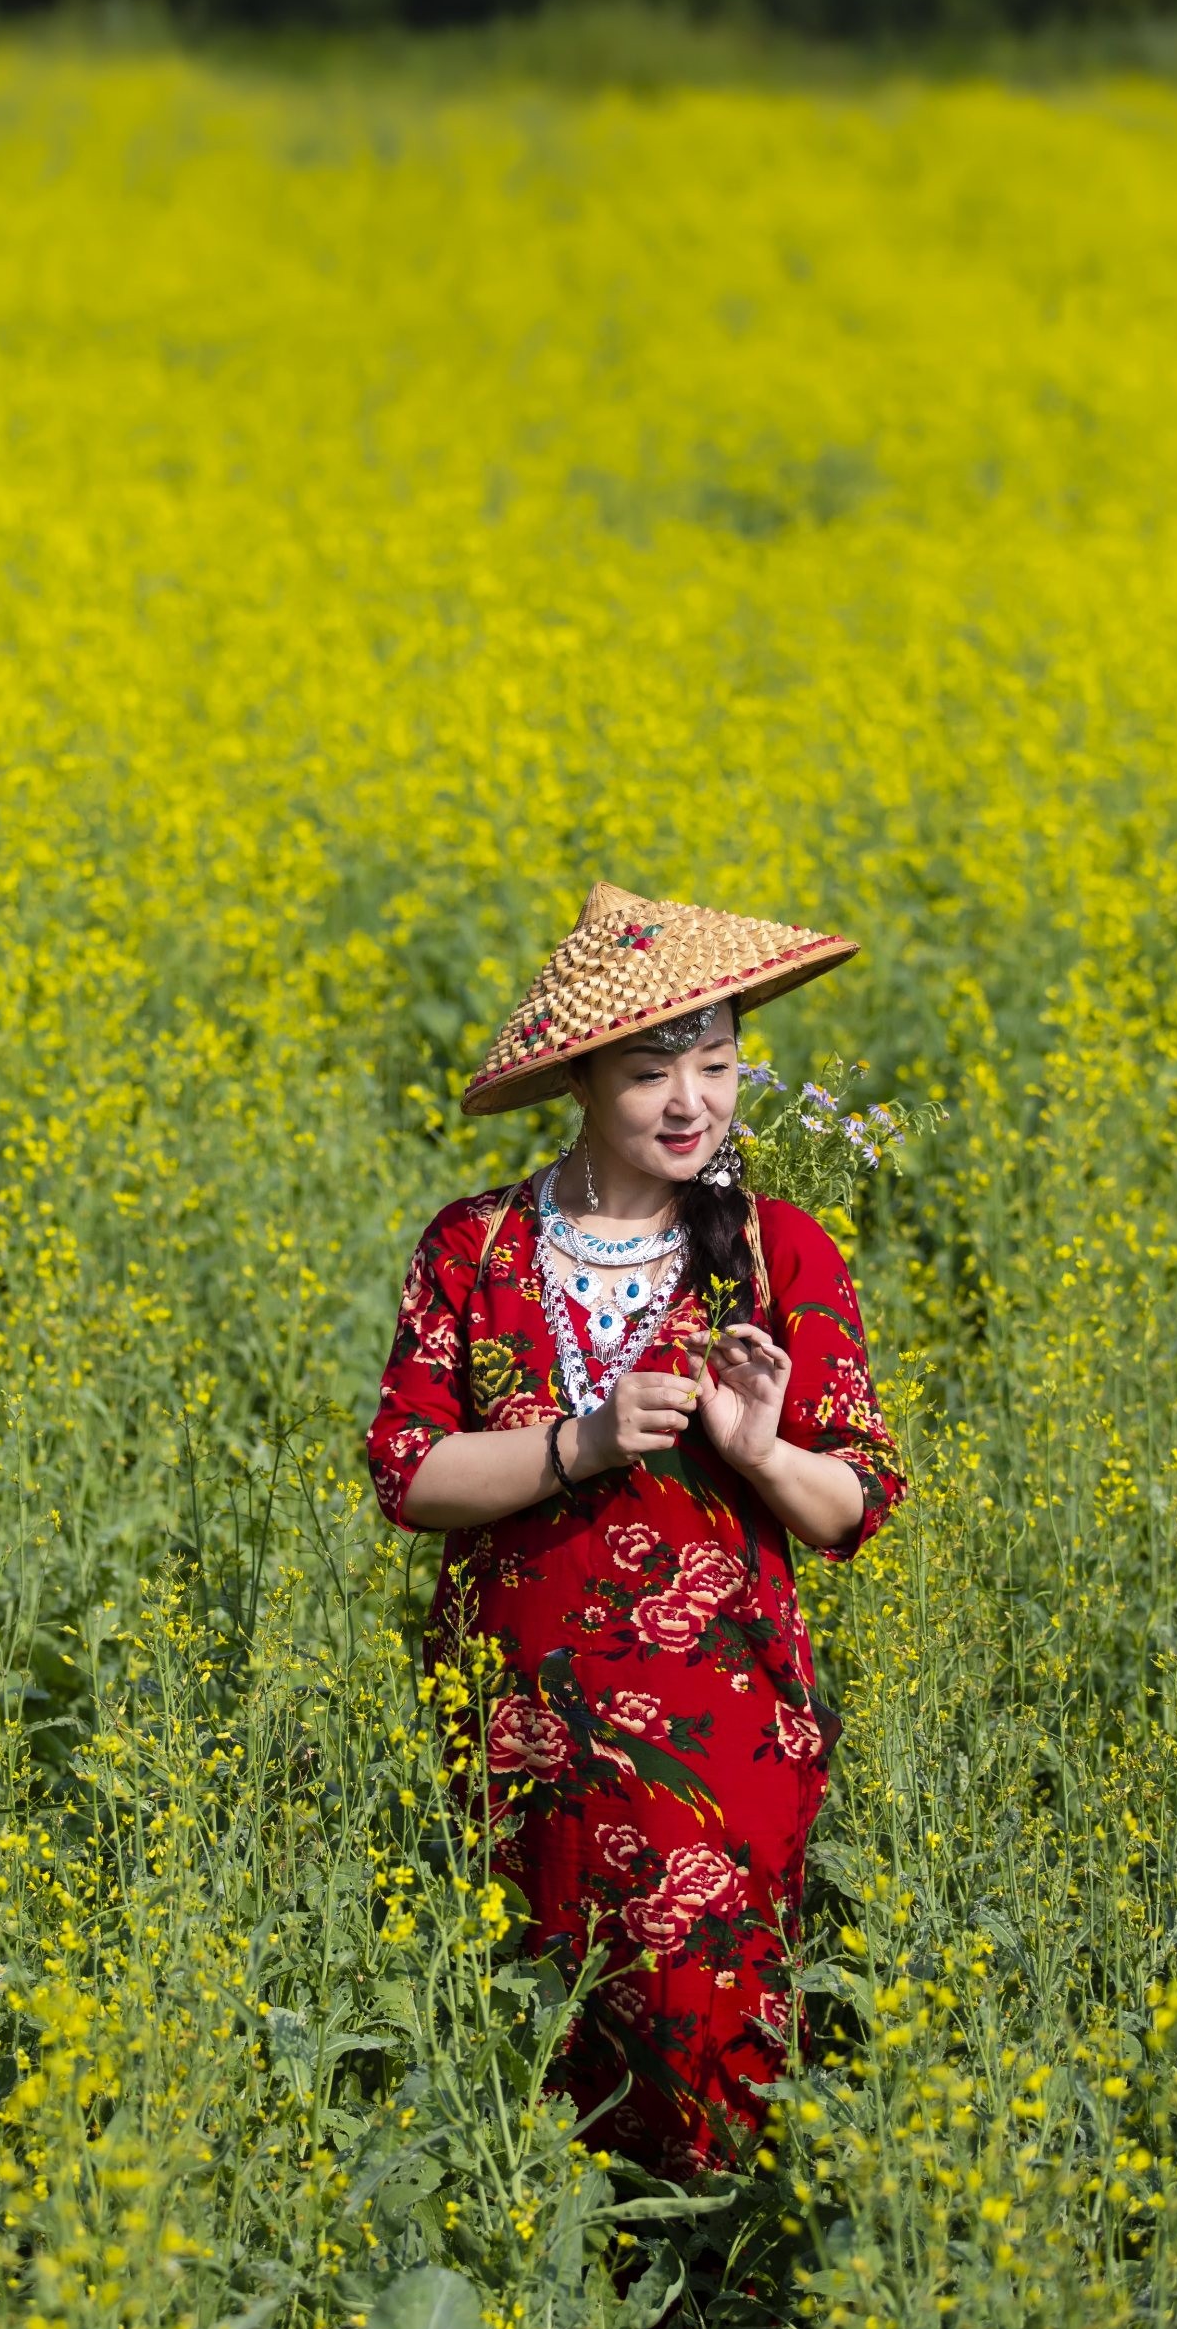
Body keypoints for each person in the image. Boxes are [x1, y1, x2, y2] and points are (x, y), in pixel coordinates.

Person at [368, 881, 905, 2174]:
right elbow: (409, 1474)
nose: (692, 1105)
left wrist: (761, 1448)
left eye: (717, 1068)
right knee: (525, 2060)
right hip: (509, 1721)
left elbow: (856, 1505)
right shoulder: (476, 1246)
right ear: (579, 1080)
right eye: (653, 1073)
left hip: (716, 1737)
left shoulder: (775, 1254)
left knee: (707, 2056)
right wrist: (582, 1444)